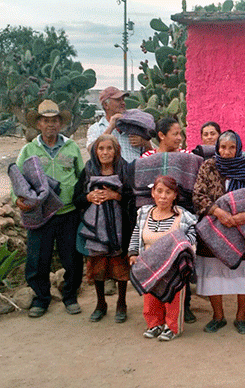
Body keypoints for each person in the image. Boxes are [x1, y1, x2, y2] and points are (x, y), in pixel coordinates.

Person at [193, 130, 245, 335]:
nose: (226, 152)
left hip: (244, 231)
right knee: (212, 276)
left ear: (239, 148)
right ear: (217, 148)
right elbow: (198, 195)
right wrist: (218, 212)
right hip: (214, 232)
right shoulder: (208, 166)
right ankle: (218, 316)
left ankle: (241, 316)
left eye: (231, 147)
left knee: (244, 277)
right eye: (223, 147)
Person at [14, 100, 84, 318]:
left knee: (72, 258)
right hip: (40, 215)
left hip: (68, 212)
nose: (50, 124)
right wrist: (18, 200)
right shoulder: (29, 149)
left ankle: (70, 297)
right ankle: (41, 299)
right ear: (39, 124)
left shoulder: (71, 147)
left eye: (54, 120)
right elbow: (17, 179)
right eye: (46, 120)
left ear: (60, 124)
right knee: (37, 259)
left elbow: (82, 177)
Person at [128, 176, 198, 341]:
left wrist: (182, 247)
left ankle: (172, 328)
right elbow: (137, 233)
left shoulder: (184, 216)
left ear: (175, 195)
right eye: (159, 191)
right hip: (149, 264)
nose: (163, 196)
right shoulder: (144, 213)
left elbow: (193, 236)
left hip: (173, 267)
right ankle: (154, 324)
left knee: (173, 297)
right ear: (153, 193)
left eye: (168, 192)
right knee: (150, 297)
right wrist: (132, 253)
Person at [74, 135, 132, 323]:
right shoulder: (89, 170)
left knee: (120, 266)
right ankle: (100, 304)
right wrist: (89, 197)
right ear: (95, 151)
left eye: (109, 148)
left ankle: (121, 303)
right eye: (101, 149)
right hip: (95, 230)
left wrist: (116, 196)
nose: (105, 152)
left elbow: (133, 197)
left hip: (120, 228)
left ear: (116, 151)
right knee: (98, 265)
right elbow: (76, 199)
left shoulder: (125, 169)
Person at [86, 86, 152, 162]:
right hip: (111, 174)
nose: (123, 103)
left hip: (134, 173)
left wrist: (145, 143)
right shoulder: (96, 128)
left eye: (123, 100)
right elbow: (92, 152)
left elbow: (151, 155)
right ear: (106, 105)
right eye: (118, 100)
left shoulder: (135, 126)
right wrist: (110, 128)